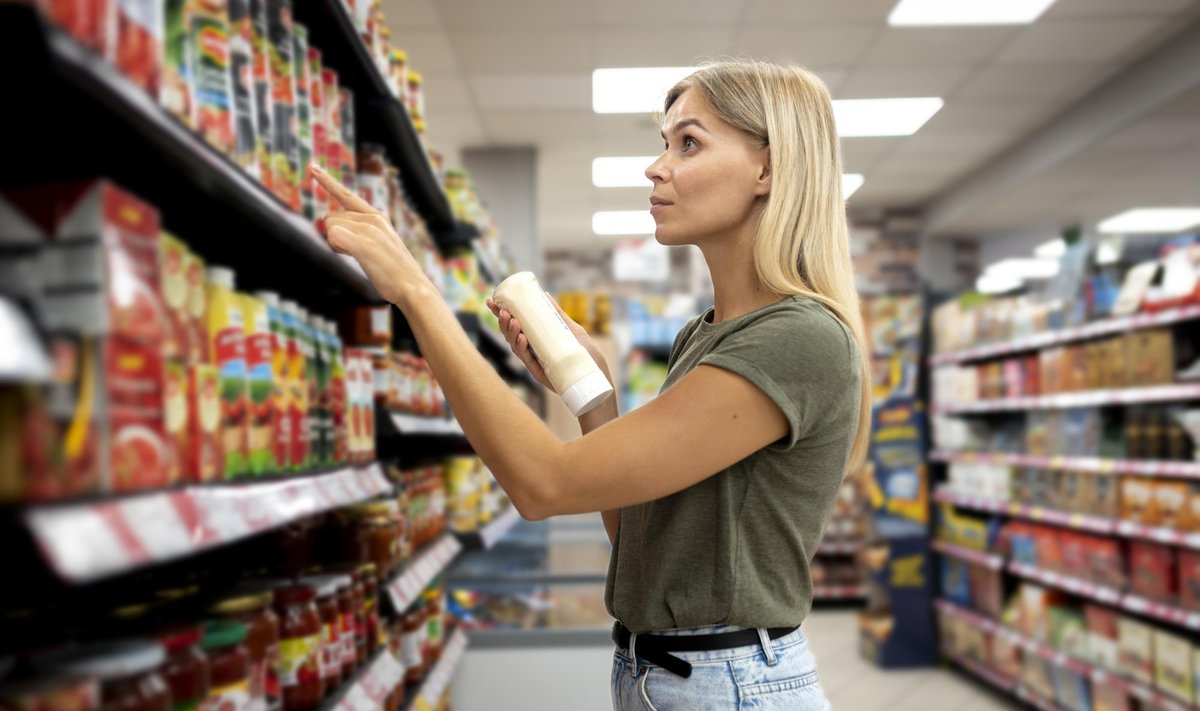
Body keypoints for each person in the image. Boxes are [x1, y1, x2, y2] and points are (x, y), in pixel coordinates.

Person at [311, 58, 869, 710]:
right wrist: (592, 395)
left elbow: (542, 483)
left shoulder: (796, 338)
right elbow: (639, 540)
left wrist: (414, 292)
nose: (656, 166)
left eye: (688, 142)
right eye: (664, 143)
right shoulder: (705, 334)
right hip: (662, 671)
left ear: (768, 169)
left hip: (731, 683)